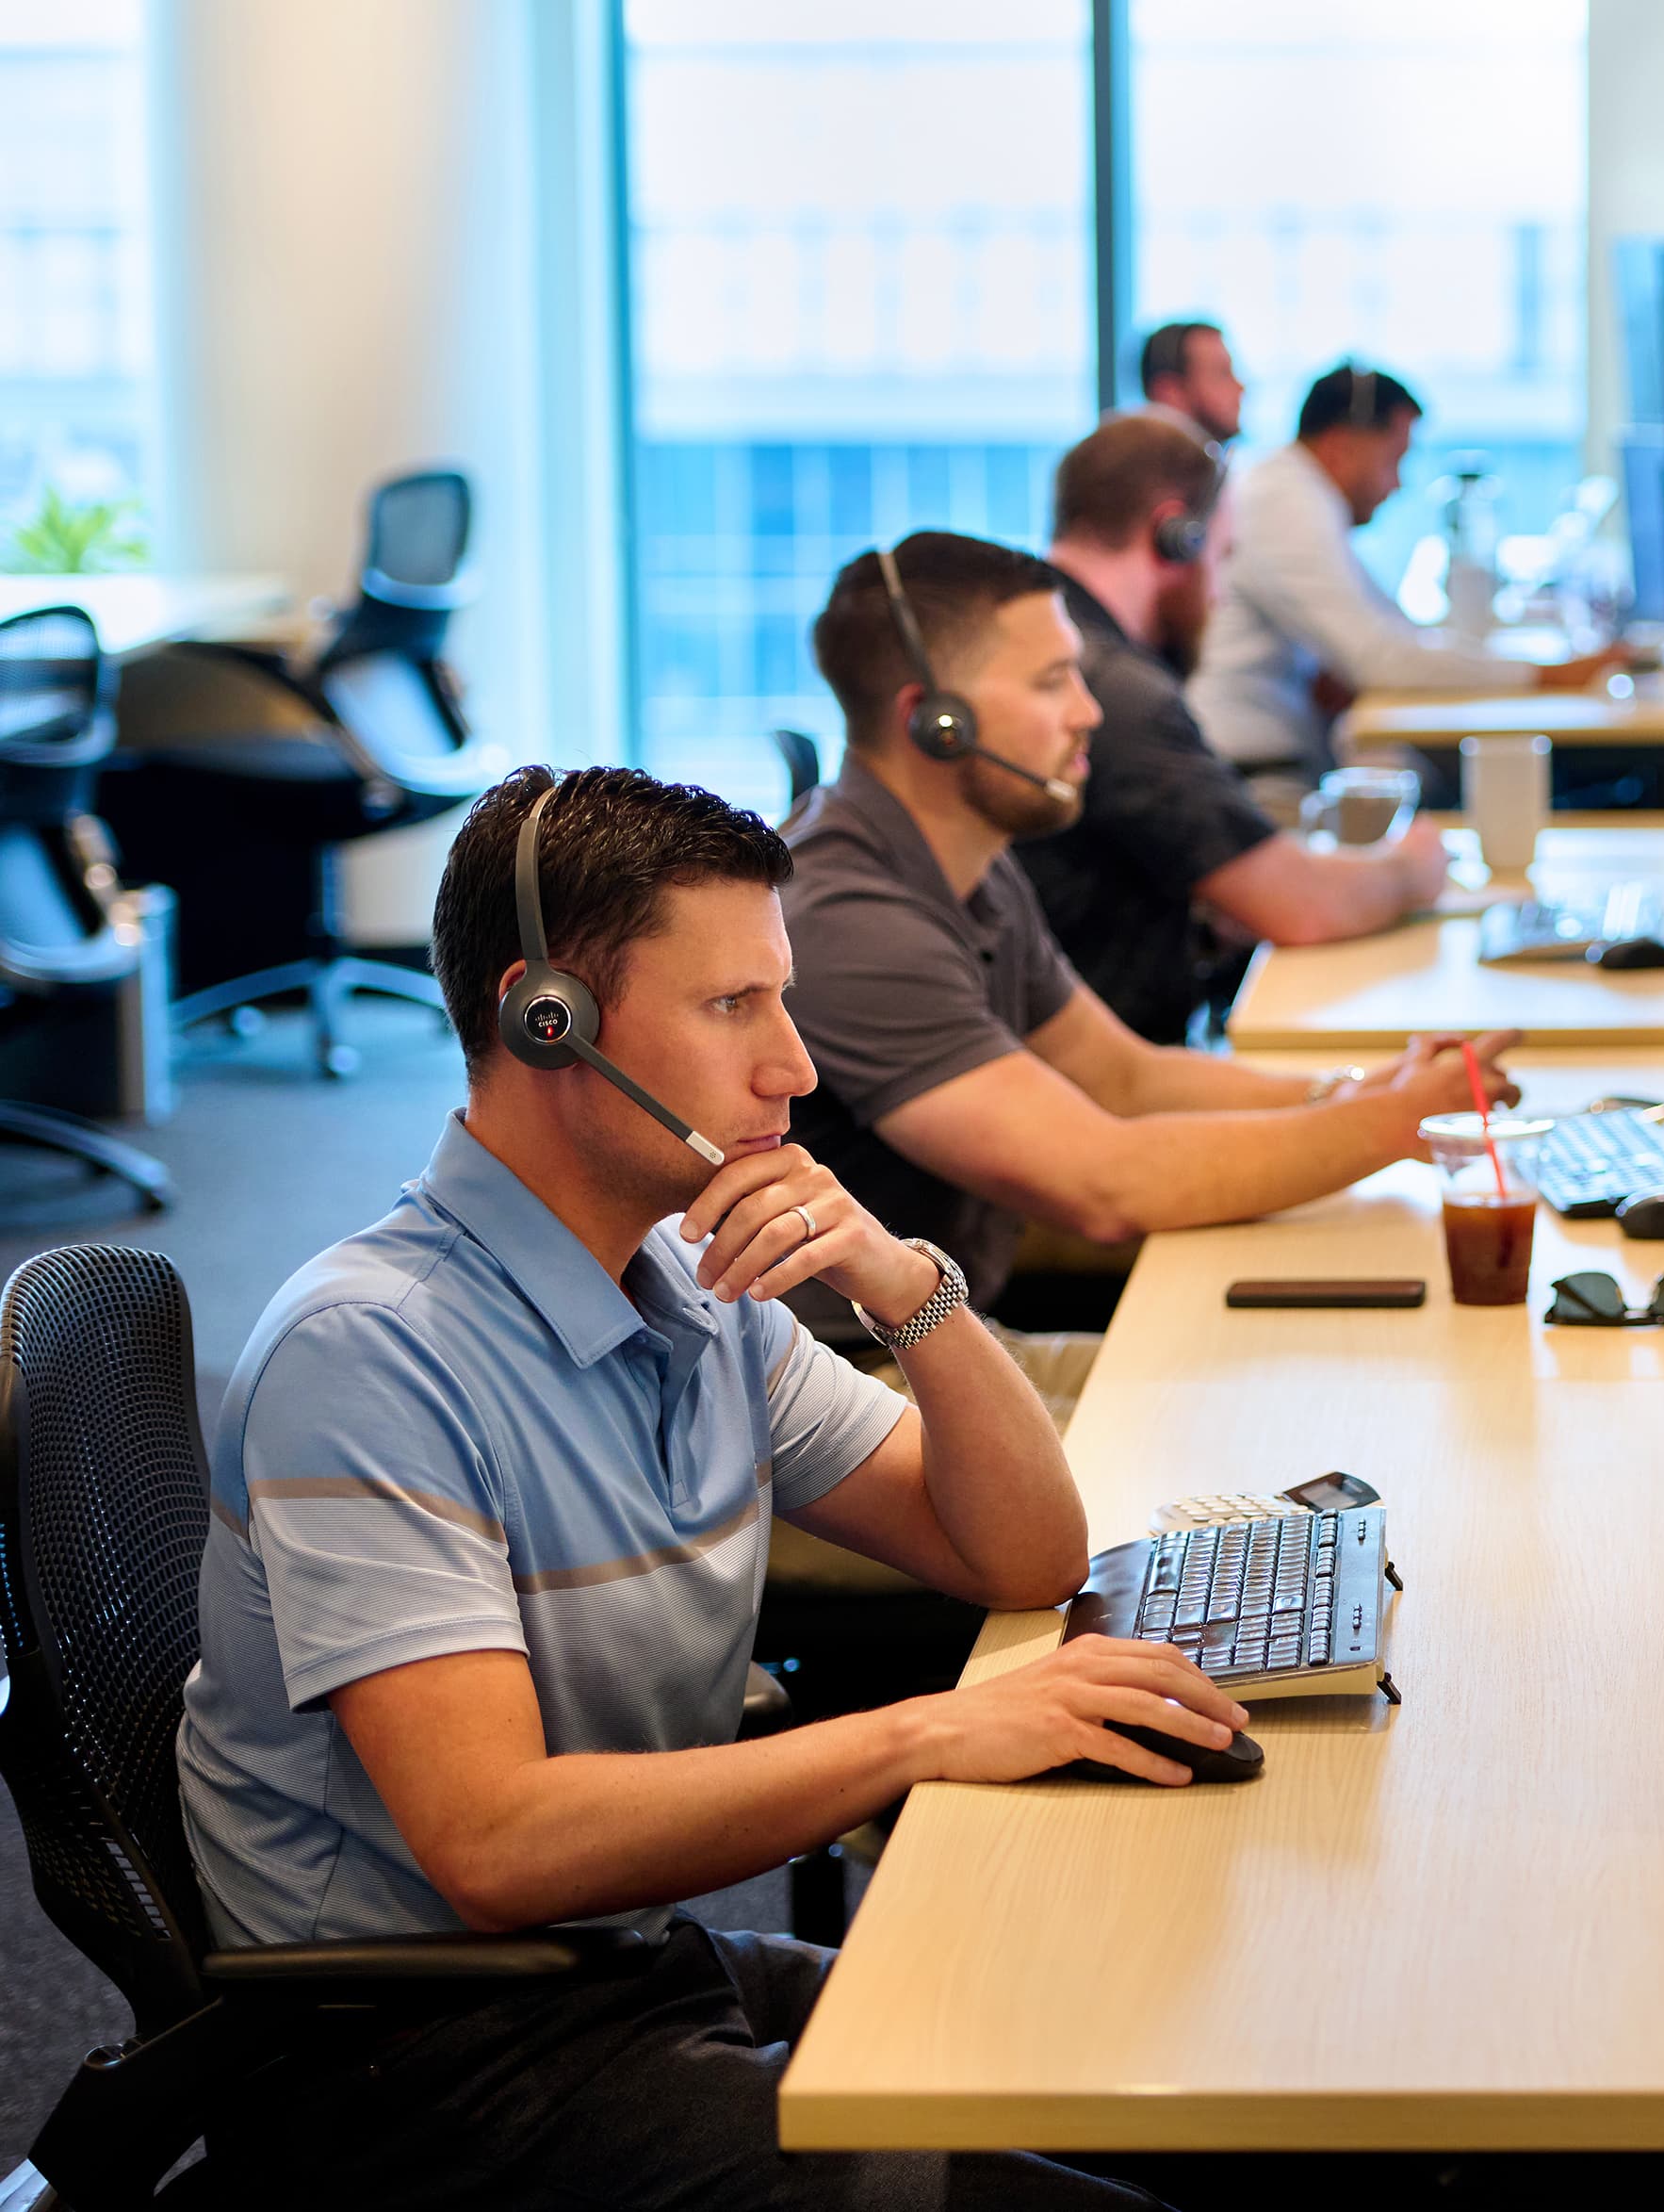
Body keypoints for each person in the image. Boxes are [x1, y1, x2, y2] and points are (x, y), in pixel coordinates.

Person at [175, 764, 1230, 2208]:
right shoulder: (371, 1350)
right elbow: (493, 1840)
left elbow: (1024, 1553)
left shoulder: (695, 1284)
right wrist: (926, 1733)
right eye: (734, 1006)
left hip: (620, 1967)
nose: (794, 1064)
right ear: (547, 1019)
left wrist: (907, 1286)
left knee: (1185, 2093)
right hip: (413, 2062)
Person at [784, 529, 1517, 1374]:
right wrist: (1397, 1121)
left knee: (1282, 1390)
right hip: (849, 1394)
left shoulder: (968, 865)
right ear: (936, 722)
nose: (1088, 711)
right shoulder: (852, 917)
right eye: (1052, 681)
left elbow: (1127, 1077)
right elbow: (1108, 1184)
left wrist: (1353, 1092)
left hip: (953, 1346)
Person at [1016, 411, 1455, 1046]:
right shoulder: (1113, 689)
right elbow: (1303, 906)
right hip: (1115, 1072)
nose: (1219, 595)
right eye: (1220, 557)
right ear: (1175, 534)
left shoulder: (1046, 646)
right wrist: (1416, 867)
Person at [1186, 362, 1623, 809]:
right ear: (1340, 446)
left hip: (1274, 766)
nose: (1397, 484)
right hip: (1253, 780)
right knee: (1435, 791)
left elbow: (1394, 631)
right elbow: (1380, 657)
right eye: (1394, 458)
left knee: (1432, 781)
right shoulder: (1284, 502)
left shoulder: (1299, 495)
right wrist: (1550, 675)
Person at [1136, 318, 1245, 448]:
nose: (1240, 387)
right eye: (1222, 374)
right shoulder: (1144, 466)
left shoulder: (1212, 462)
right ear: (1169, 393)